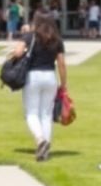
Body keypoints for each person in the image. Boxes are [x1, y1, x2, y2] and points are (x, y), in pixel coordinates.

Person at [10, 14, 67, 162]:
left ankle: (40, 140)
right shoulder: (57, 40)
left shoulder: (30, 37)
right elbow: (61, 63)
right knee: (46, 114)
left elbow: (17, 52)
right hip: (50, 76)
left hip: (33, 76)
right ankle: (46, 146)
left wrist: (16, 54)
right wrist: (64, 84)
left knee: (32, 113)